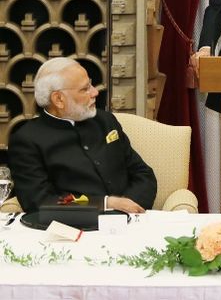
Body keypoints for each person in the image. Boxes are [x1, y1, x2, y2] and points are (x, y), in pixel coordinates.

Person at [8, 57, 157, 213]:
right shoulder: (27, 140)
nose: (95, 92)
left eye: (90, 84)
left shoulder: (105, 121)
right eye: (85, 89)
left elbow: (143, 174)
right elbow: (40, 201)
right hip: (74, 230)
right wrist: (106, 204)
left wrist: (126, 208)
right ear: (58, 99)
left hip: (129, 222)